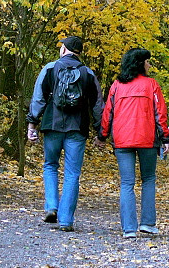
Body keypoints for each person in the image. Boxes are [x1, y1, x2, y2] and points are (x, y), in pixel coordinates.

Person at [26, 35, 105, 232]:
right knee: (72, 174)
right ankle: (66, 220)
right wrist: (101, 132)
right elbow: (97, 105)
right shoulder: (88, 73)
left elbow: (38, 98)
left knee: (50, 165)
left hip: (52, 126)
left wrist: (32, 125)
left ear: (64, 49)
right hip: (77, 129)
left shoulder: (50, 68)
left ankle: (51, 206)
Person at [99, 48, 169, 239]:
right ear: (140, 64)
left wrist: (102, 135)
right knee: (148, 180)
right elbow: (160, 114)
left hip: (122, 141)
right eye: (147, 62)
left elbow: (108, 113)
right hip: (147, 139)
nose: (149, 65)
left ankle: (129, 229)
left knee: (127, 183)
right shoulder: (151, 85)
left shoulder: (116, 86)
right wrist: (165, 138)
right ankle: (147, 223)